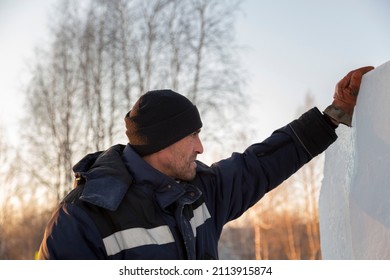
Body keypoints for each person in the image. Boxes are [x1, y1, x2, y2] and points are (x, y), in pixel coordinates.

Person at [38, 66, 374, 260]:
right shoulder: (84, 217)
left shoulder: (200, 192)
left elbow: (263, 163)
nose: (201, 147)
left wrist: (337, 111)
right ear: (163, 142)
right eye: (193, 136)